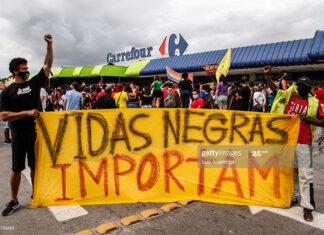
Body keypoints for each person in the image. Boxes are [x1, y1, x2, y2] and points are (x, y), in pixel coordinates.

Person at [0, 34, 53, 216]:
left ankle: (35, 193)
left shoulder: (34, 84)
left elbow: (47, 66)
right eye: (24, 68)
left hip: (35, 134)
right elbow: (4, 115)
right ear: (16, 71)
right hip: (19, 136)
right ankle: (14, 201)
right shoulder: (7, 92)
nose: (27, 70)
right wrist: (26, 112)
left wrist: (49, 46)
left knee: (35, 166)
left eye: (27, 67)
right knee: (16, 169)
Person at [264, 65, 324, 222]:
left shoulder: (314, 103)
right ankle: (293, 198)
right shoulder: (290, 96)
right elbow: (276, 91)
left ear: (309, 89)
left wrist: (308, 119)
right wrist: (267, 76)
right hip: (287, 142)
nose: (300, 88)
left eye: (303, 87)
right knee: (289, 172)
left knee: (305, 174)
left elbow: (322, 121)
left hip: (304, 142)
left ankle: (307, 208)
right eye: (299, 86)